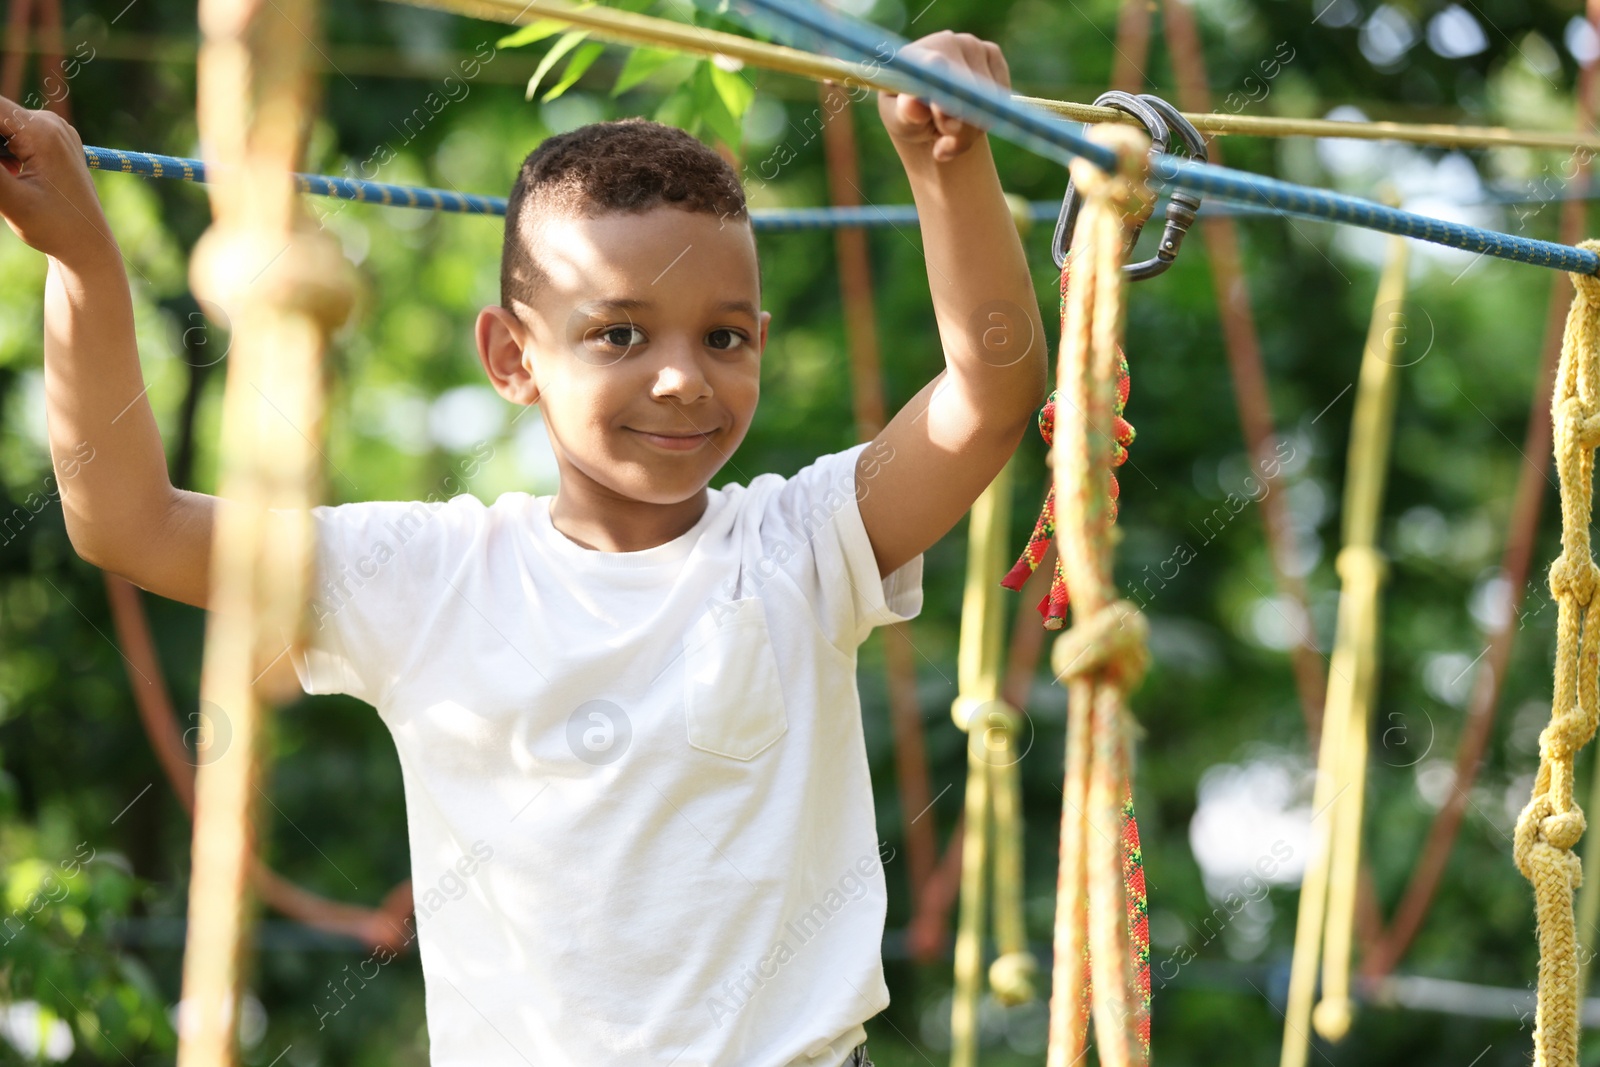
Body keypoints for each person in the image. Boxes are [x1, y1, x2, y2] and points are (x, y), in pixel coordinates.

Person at [0, 26, 1046, 1067]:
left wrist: (948, 162)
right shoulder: (424, 577)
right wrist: (85, 260)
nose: (681, 377)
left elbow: (988, 397)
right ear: (512, 356)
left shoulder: (806, 541)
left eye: (721, 335)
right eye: (619, 333)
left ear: (757, 342)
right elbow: (128, 521)